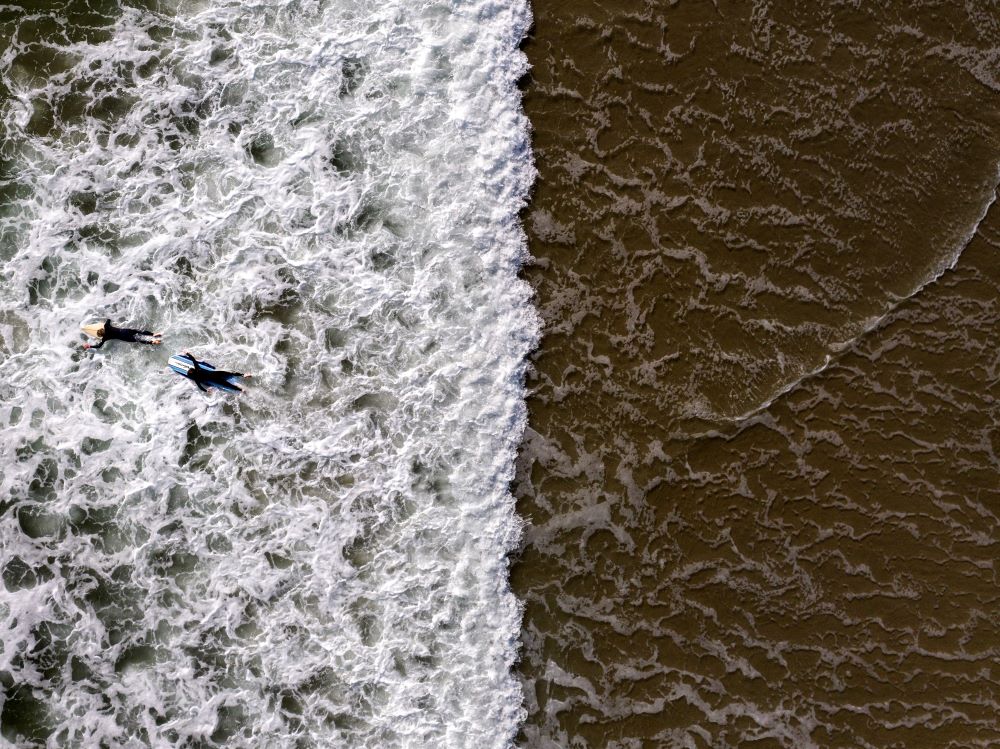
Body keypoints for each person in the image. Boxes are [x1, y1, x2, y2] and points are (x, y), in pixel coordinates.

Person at [182, 351, 252, 393]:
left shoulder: (197, 379)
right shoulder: (198, 368)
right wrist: (187, 353)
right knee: (232, 374)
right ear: (193, 369)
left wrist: (207, 391)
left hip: (215, 381)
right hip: (217, 374)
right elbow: (193, 359)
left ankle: (241, 390)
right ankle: (243, 375)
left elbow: (200, 387)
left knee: (229, 386)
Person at [84, 319, 162, 349]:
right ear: (102, 329)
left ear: (101, 335)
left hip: (125, 338)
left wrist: (89, 346)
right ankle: (153, 334)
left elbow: (99, 346)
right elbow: (109, 319)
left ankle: (152, 342)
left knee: (138, 340)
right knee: (140, 332)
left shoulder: (105, 338)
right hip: (125, 331)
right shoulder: (106, 326)